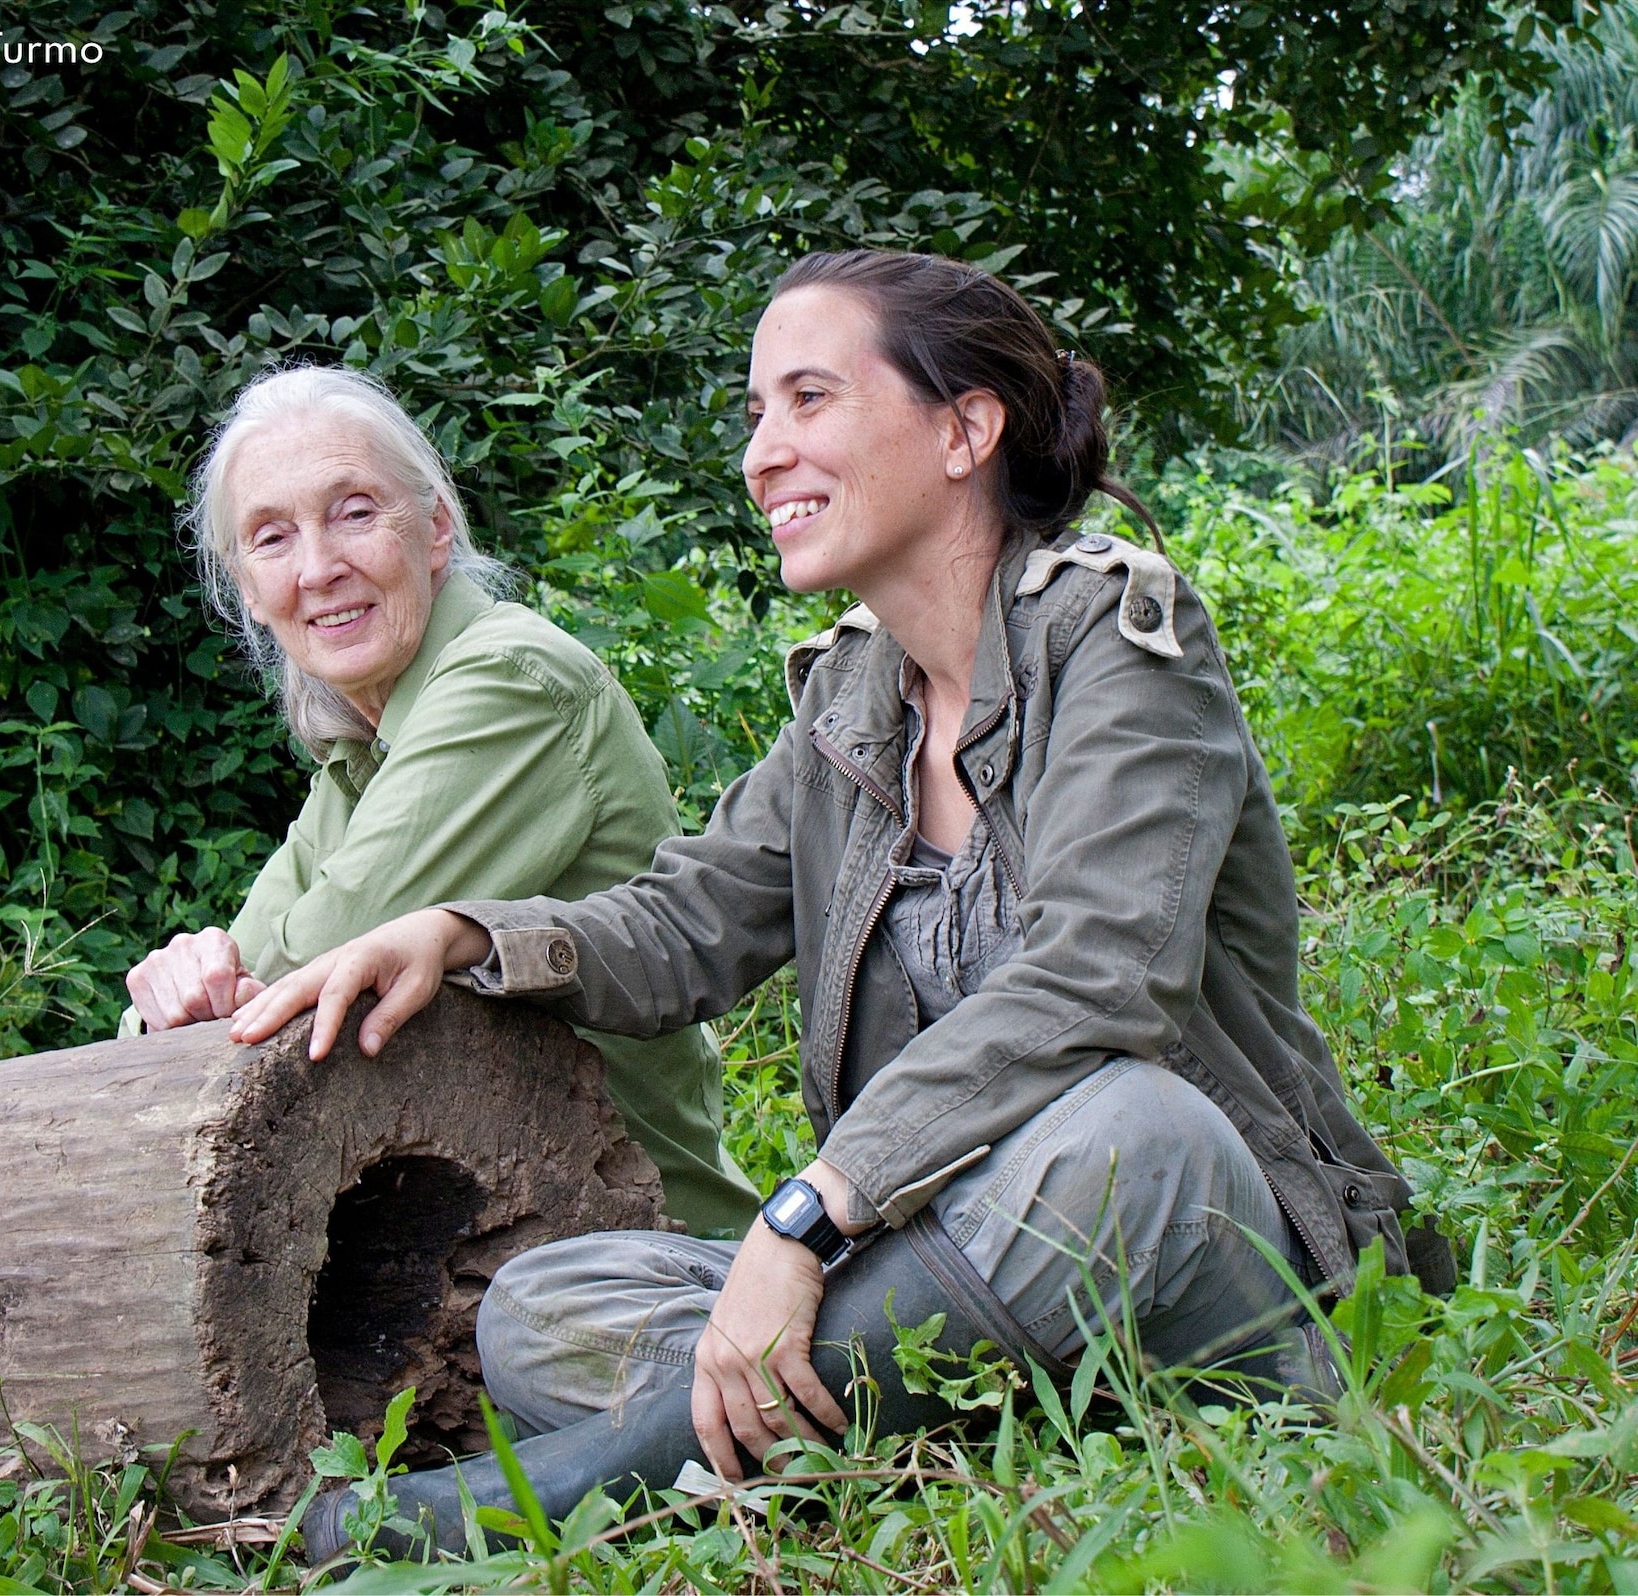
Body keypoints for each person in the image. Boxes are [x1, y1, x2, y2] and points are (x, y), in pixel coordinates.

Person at [236, 255, 1455, 1562]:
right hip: (943, 1263)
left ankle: (514, 1512)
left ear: (963, 428)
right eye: (758, 415)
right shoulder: (853, 703)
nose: (764, 456)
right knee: (544, 1303)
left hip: (1192, 1254)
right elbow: (686, 923)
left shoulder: (1120, 647)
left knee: (1134, 1128)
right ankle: (939, 1425)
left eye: (808, 400)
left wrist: (808, 1213)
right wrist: (470, 933)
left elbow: (1104, 980)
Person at [121, 364, 758, 1236]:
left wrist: (205, 1006)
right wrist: (167, 996)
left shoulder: (510, 683)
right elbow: (217, 1011)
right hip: (488, 1249)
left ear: (433, 528)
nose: (318, 568)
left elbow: (287, 989)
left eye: (354, 513)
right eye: (271, 538)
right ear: (246, 591)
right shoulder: (359, 753)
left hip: (646, 1256)